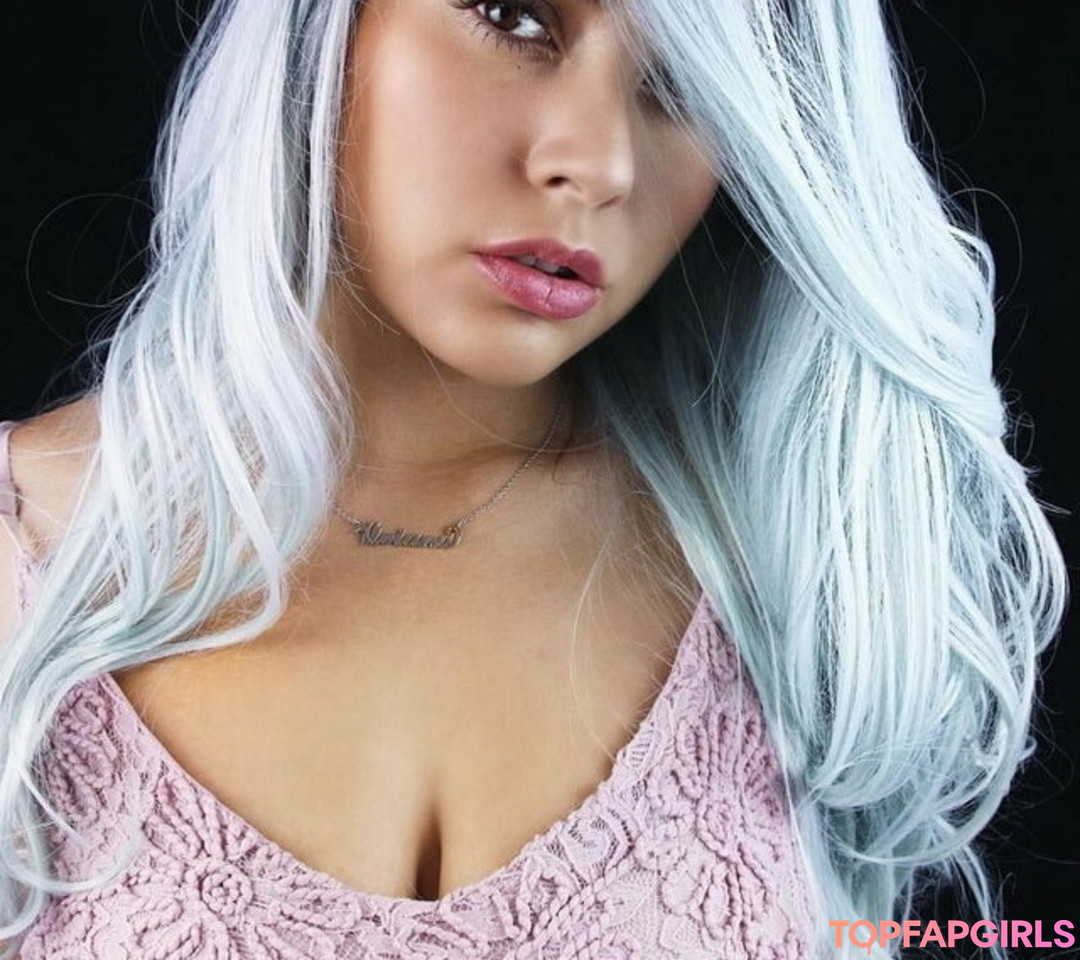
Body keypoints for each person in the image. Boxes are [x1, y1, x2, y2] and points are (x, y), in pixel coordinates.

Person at [0, 0, 1066, 957]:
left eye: (691, 88)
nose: (598, 164)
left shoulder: (796, 573)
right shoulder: (24, 554)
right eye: (515, 17)